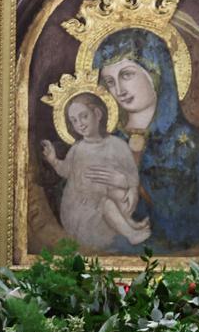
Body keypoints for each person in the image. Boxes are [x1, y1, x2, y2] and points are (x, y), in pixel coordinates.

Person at [92, 27, 199, 253]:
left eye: (126, 75)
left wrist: (135, 185)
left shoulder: (189, 146)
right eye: (110, 81)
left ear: (155, 72)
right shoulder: (106, 141)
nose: (119, 90)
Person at [41, 93, 151, 250]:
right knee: (106, 203)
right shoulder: (77, 149)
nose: (80, 124)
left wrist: (130, 187)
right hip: (81, 209)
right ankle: (131, 234)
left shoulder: (117, 145)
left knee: (119, 194)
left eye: (83, 116)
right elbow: (65, 171)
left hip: (107, 201)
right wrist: (53, 160)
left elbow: (131, 173)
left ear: (98, 114)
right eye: (74, 120)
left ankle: (130, 223)